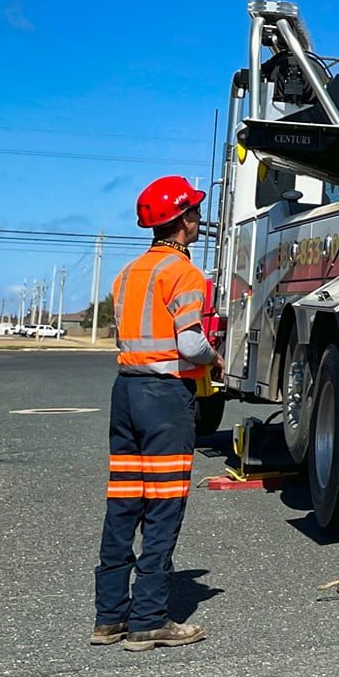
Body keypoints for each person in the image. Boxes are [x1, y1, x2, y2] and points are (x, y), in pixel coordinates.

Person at [92, 175, 215, 651]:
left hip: (125, 392)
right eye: (195, 213)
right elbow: (189, 342)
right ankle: (148, 620)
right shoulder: (184, 274)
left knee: (123, 502)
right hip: (164, 399)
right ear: (183, 219)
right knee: (163, 505)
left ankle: (109, 618)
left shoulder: (127, 273)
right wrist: (213, 358)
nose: (199, 219)